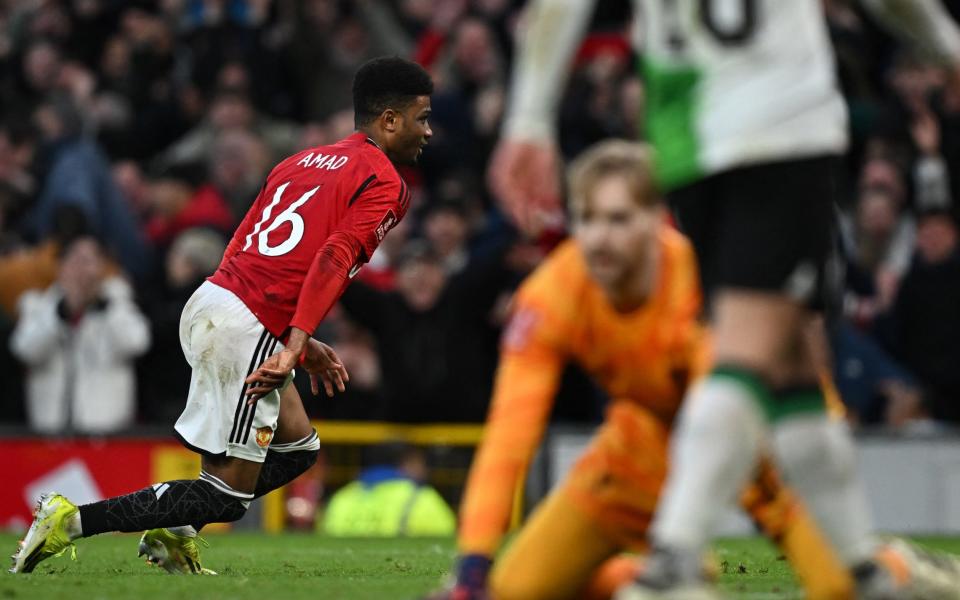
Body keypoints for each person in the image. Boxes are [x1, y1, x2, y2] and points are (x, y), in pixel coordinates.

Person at [486, 1, 960, 598]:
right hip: (781, 128)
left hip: (687, 133)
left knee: (788, 371)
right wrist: (946, 46)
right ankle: (675, 558)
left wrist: (528, 117)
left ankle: (863, 567)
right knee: (753, 349)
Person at [11, 56, 433, 575]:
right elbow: (333, 257)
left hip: (219, 298)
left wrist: (292, 333)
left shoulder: (299, 161)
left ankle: (171, 539)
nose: (428, 131)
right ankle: (70, 521)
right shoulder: (386, 182)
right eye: (422, 117)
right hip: (245, 324)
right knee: (227, 496)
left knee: (299, 450)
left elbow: (245, 236)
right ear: (389, 120)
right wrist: (296, 342)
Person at [439, 140, 851, 600]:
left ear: (658, 219)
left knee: (841, 588)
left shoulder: (703, 289)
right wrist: (472, 569)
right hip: (641, 447)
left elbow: (717, 431)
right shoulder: (551, 294)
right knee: (514, 590)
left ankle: (904, 572)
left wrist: (680, 546)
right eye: (586, 218)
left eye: (618, 219)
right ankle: (637, 581)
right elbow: (508, 437)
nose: (598, 238)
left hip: (763, 445)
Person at [10, 234, 150, 434]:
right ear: (61, 267)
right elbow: (25, 350)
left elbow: (137, 342)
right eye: (75, 261)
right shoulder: (39, 305)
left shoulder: (118, 303)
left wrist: (105, 306)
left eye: (89, 262)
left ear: (102, 267)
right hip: (50, 435)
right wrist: (62, 313)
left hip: (109, 438)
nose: (82, 271)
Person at [322, 443, 456, 538]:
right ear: (406, 463)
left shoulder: (342, 496)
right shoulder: (421, 497)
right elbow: (449, 536)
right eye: (419, 463)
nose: (425, 469)